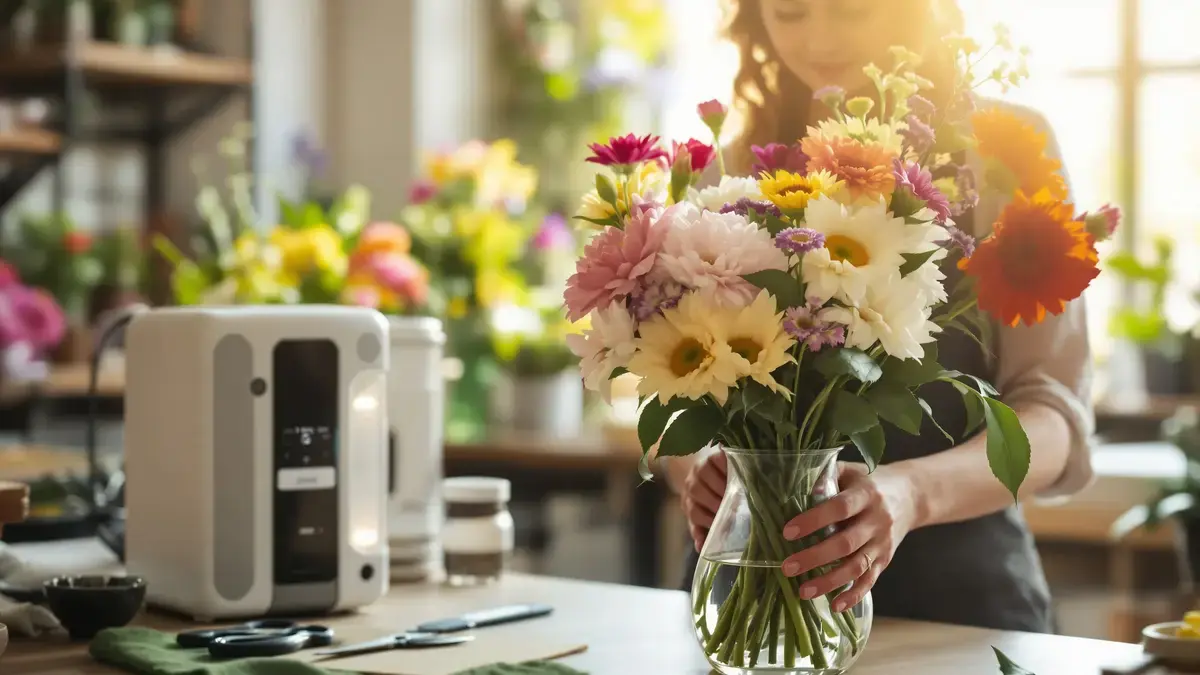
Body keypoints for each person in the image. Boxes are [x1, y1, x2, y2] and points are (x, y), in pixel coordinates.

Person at [666, 0, 1094, 634]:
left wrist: (911, 493)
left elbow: (1054, 422)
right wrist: (698, 464)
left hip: (961, 614)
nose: (821, 38)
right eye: (789, 13)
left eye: (852, 9)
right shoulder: (728, 171)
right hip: (751, 613)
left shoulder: (1005, 154)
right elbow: (669, 376)